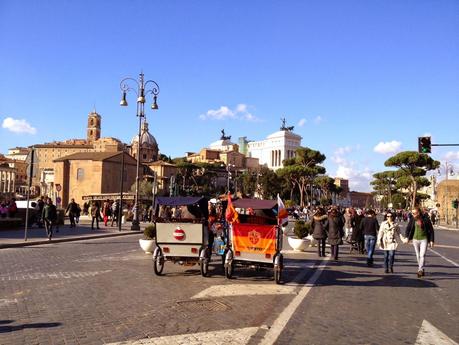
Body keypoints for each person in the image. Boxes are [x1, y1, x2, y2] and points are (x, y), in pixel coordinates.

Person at [405, 207, 435, 278]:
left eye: (414, 213)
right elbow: (408, 228)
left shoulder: (426, 219)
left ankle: (420, 269)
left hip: (424, 239)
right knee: (418, 255)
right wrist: (407, 237)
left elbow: (431, 230)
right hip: (415, 240)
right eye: (412, 213)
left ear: (418, 213)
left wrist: (431, 240)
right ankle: (421, 268)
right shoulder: (412, 219)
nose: (413, 214)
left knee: (422, 255)